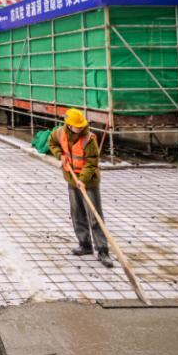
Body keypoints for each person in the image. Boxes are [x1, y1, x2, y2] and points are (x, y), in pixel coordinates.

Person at [48, 109, 113, 268]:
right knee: (77, 213)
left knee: (94, 215)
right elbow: (52, 142)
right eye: (76, 126)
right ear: (69, 125)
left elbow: (92, 162)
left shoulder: (89, 139)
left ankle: (103, 250)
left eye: (80, 126)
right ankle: (85, 245)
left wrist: (83, 180)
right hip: (71, 179)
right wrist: (59, 155)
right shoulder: (60, 133)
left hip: (88, 182)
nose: (79, 128)